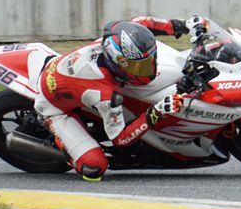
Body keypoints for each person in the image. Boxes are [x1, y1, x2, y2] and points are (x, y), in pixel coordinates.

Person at [34, 15, 208, 181]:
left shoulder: (119, 35)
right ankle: (63, 145)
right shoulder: (105, 94)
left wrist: (183, 25)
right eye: (138, 67)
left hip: (65, 76)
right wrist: (155, 112)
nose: (148, 70)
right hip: (54, 108)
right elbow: (120, 139)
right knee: (94, 168)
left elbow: (142, 22)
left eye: (149, 62)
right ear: (118, 62)